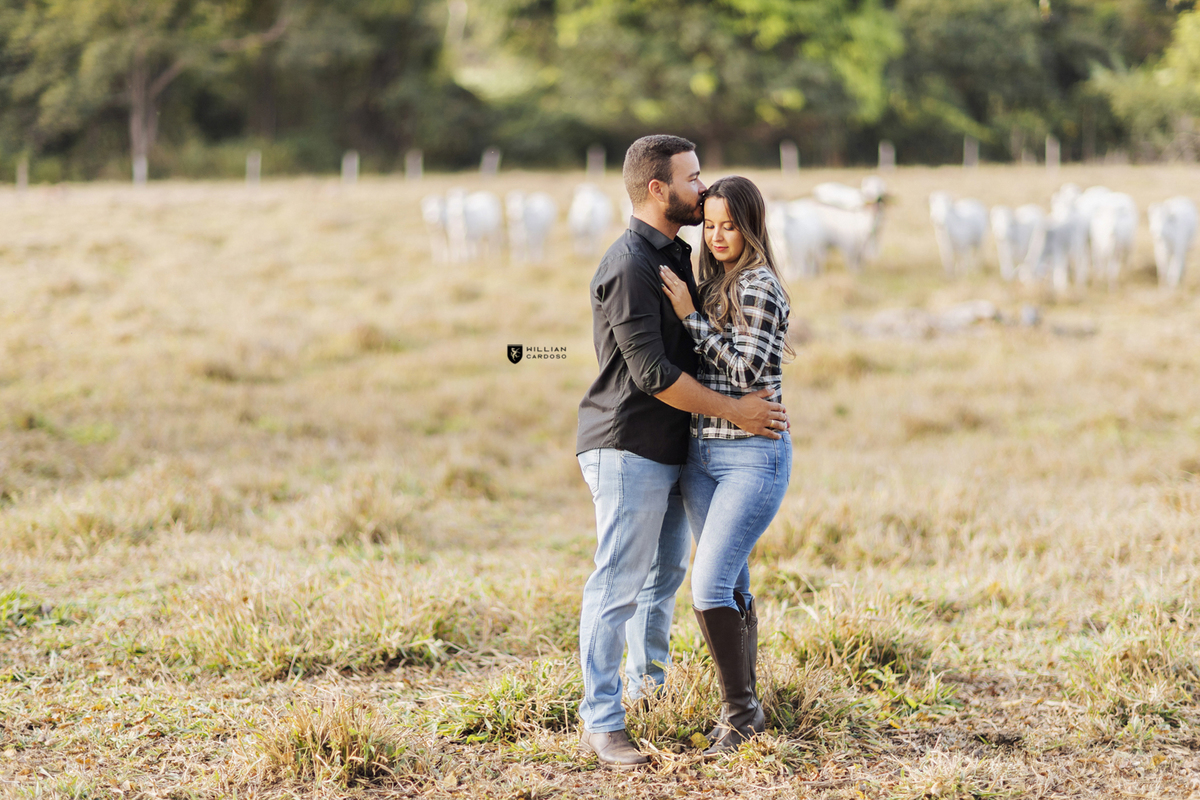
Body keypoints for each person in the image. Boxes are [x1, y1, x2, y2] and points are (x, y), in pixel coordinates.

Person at [576, 137, 789, 769]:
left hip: (675, 449)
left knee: (661, 578)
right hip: (627, 444)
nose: (702, 188)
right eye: (692, 180)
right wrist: (738, 411)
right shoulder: (630, 266)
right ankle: (603, 722)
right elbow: (650, 373)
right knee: (617, 582)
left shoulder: (678, 255)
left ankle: (649, 695)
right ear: (657, 190)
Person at [659, 176, 793, 754]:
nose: (716, 235)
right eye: (709, 224)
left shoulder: (759, 285)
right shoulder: (716, 280)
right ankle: (746, 704)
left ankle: (740, 714)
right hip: (703, 455)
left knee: (708, 584)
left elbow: (744, 376)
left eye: (729, 225)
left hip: (750, 457)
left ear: (751, 226)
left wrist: (690, 315)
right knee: (732, 580)